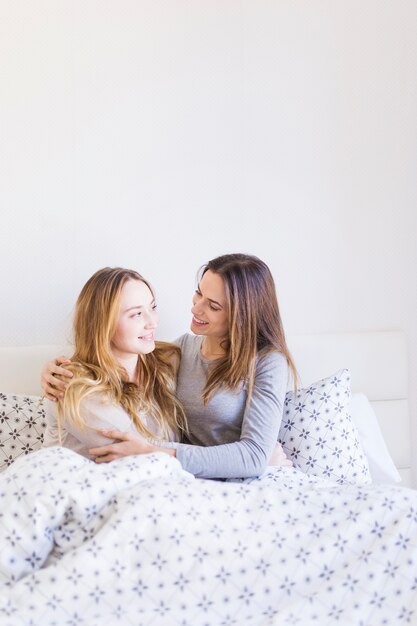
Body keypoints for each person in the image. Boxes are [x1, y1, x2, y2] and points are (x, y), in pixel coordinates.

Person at [42, 253, 295, 478]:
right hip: (183, 480)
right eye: (199, 293)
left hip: (237, 477)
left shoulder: (266, 361)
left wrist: (160, 452)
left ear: (242, 315)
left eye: (214, 305)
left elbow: (253, 457)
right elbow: (108, 358)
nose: (195, 307)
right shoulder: (179, 352)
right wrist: (56, 369)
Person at [42, 267, 187, 459]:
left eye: (152, 307)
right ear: (104, 324)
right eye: (136, 314)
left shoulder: (164, 362)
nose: (152, 322)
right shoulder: (73, 385)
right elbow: (140, 456)